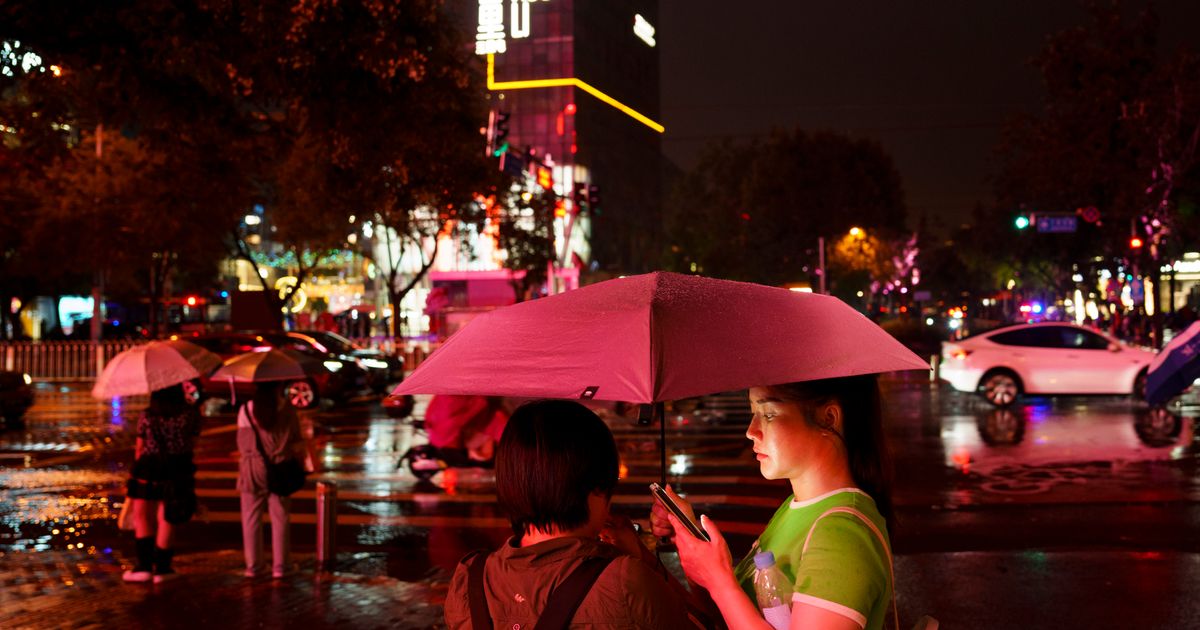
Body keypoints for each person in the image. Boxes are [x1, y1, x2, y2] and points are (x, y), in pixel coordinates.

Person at [652, 374, 896, 630]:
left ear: (828, 418)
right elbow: (726, 618)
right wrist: (693, 545)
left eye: (768, 414)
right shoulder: (796, 507)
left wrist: (720, 581)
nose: (751, 431)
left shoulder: (843, 536)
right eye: (753, 413)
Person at [443, 399, 698, 628]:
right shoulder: (626, 580)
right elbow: (704, 624)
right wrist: (657, 554)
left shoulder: (470, 578)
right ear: (597, 487)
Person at [123, 383, 201, 583]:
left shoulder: (147, 415)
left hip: (149, 467)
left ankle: (144, 567)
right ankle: (163, 569)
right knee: (168, 515)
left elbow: (140, 447)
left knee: (142, 515)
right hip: (178, 466)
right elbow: (192, 442)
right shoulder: (190, 414)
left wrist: (136, 470)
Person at [237, 383, 304, 578]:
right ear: (277, 386)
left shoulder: (246, 410)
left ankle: (254, 566)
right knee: (280, 516)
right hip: (280, 468)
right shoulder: (287, 409)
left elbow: (243, 444)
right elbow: (296, 440)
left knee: (251, 517)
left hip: (252, 469)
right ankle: (281, 566)